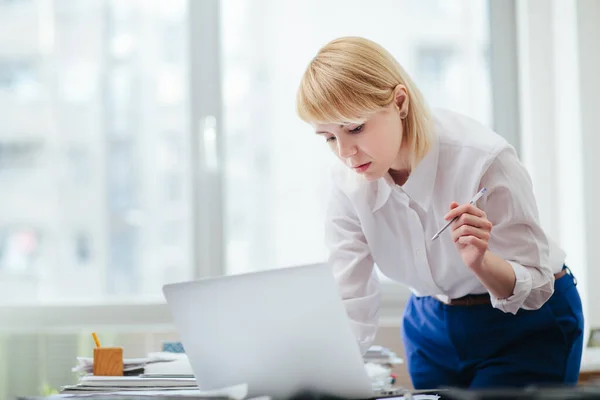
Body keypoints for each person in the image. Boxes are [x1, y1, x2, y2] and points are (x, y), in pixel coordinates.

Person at [295, 36, 584, 389]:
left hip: (523, 325)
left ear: (399, 102)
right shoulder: (347, 182)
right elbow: (350, 299)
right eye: (328, 137)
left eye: (355, 128)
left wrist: (482, 263)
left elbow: (536, 287)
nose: (346, 152)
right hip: (429, 326)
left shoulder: (483, 159)